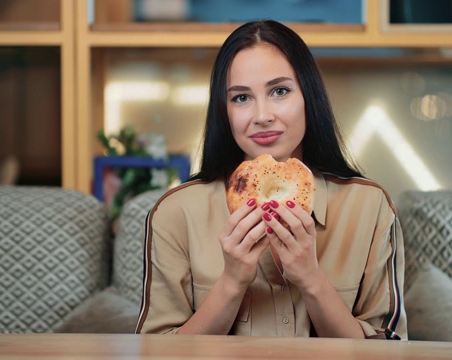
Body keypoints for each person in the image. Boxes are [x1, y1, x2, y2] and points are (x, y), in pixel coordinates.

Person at [135, 19, 407, 340]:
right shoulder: (175, 212)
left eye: (280, 91)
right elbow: (155, 351)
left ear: (309, 96)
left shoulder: (368, 207)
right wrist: (232, 282)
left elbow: (389, 348)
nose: (262, 115)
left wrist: (311, 279)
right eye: (241, 98)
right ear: (224, 112)